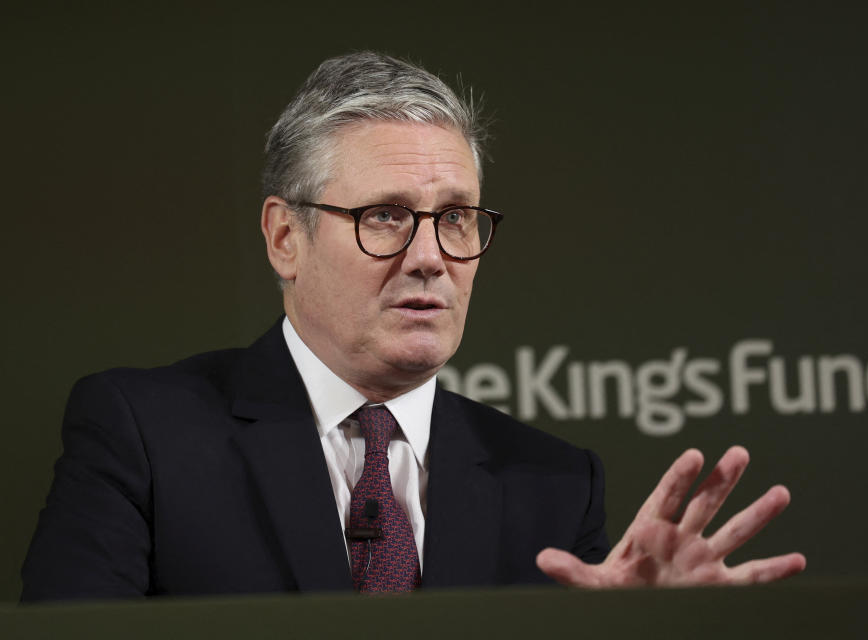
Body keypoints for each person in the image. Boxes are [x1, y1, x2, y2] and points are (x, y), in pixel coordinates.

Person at [21, 52, 805, 600]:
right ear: (285, 238)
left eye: (457, 219)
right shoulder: (144, 436)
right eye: (386, 216)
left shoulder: (555, 489)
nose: (430, 257)